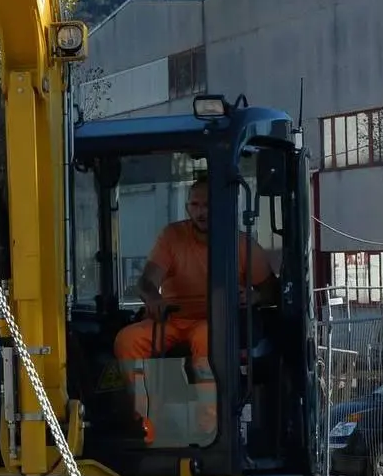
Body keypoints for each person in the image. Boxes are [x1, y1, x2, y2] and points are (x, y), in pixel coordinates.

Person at [114, 176, 274, 437]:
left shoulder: (242, 244)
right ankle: (146, 424)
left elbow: (270, 290)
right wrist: (154, 299)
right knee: (128, 340)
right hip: (172, 319)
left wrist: (254, 297)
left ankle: (209, 430)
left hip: (215, 320)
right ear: (188, 207)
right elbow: (146, 282)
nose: (202, 212)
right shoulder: (172, 237)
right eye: (195, 204)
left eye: (208, 205)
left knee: (206, 339)